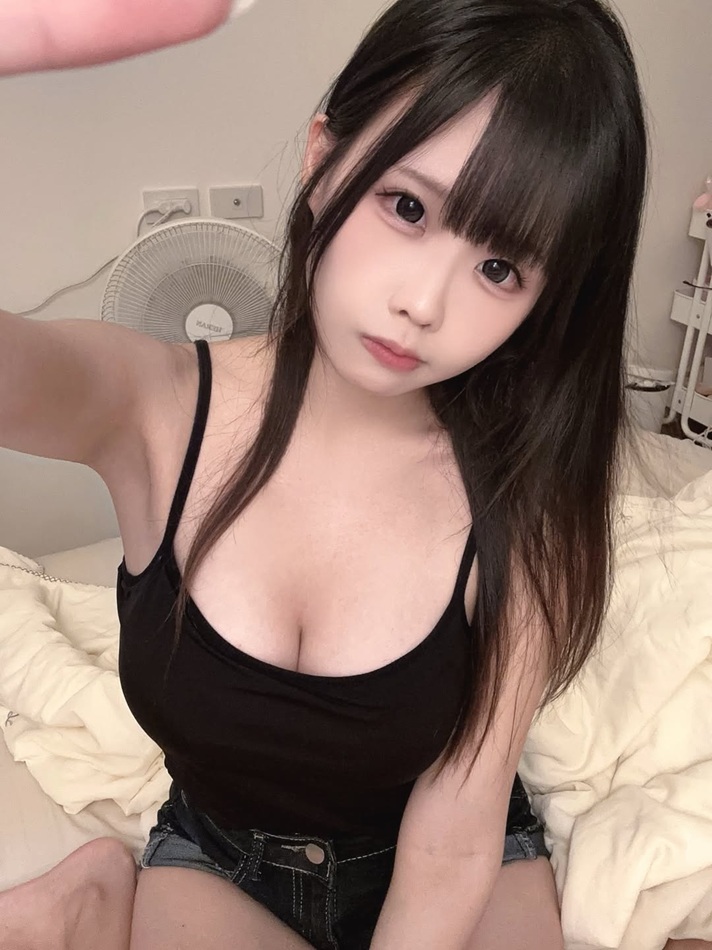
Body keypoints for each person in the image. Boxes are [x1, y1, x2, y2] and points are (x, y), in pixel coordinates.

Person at [1, 1, 692, 948]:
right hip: (224, 859)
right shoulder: (154, 406)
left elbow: (456, 829)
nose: (423, 303)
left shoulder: (530, 489)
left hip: (459, 858)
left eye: (501, 267)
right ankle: (92, 890)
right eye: (407, 208)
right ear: (324, 160)